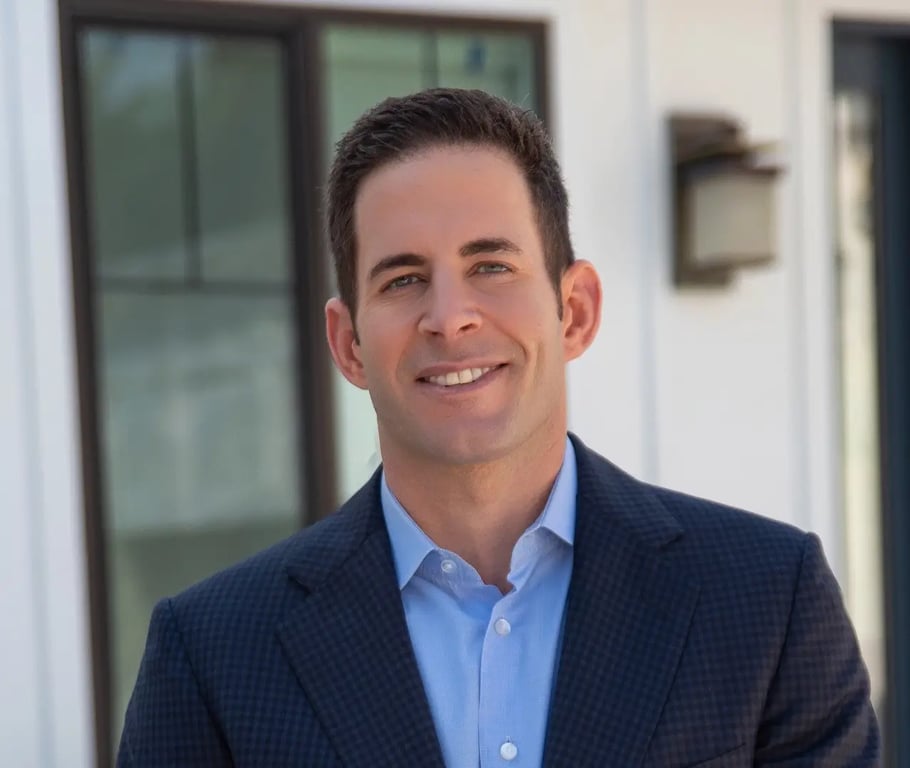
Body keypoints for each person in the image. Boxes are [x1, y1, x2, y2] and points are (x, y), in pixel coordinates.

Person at [118, 88, 879, 767]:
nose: (449, 317)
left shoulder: (766, 603)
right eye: (403, 278)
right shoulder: (216, 654)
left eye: (491, 266)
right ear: (349, 343)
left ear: (574, 310)